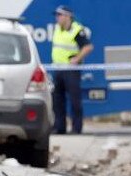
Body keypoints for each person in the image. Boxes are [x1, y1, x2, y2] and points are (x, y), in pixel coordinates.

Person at [51, 5, 93, 134]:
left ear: (67, 16)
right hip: (58, 69)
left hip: (71, 71)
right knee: (57, 100)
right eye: (57, 15)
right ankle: (60, 127)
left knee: (75, 100)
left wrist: (77, 59)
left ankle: (76, 128)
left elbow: (88, 47)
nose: (57, 18)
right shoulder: (57, 29)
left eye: (59, 15)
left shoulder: (76, 30)